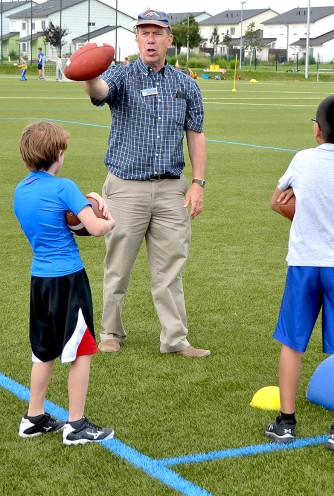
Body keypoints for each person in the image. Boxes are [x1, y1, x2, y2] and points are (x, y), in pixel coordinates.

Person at [80, 9, 209, 358]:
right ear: (136, 38)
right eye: (144, 33)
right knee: (117, 264)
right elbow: (100, 90)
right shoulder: (120, 76)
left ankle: (175, 339)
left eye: (157, 33)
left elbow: (195, 136)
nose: (150, 39)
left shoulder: (186, 85)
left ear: (169, 39)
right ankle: (110, 331)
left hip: (171, 188)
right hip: (126, 186)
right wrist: (88, 72)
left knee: (170, 269)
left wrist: (197, 183)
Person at [265, 95, 334, 452]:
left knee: (292, 341)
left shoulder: (301, 159)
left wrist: (303, 211)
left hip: (303, 262)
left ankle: (285, 422)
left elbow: (278, 199)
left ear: (316, 129)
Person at [13, 121, 116, 445]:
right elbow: (96, 228)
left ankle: (34, 417)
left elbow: (55, 224)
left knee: (43, 350)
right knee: (81, 350)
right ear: (58, 154)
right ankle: (76, 425)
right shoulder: (64, 187)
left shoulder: (21, 190)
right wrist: (107, 212)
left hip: (39, 280)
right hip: (68, 281)